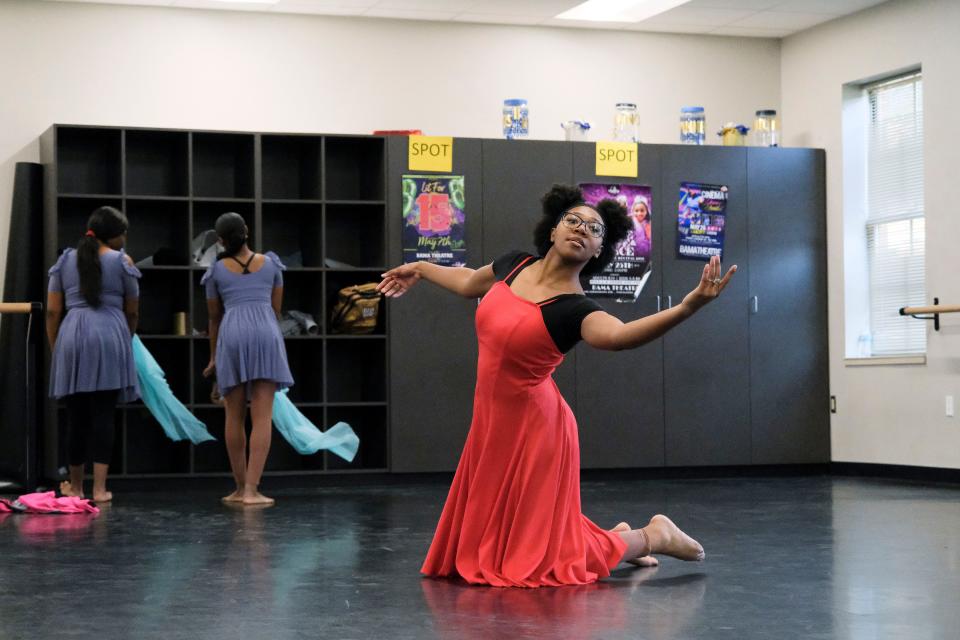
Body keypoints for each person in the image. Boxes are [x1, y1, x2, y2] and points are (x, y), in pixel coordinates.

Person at [378, 184, 737, 588]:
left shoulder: (575, 308)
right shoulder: (513, 265)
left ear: (599, 250)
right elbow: (467, 284)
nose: (582, 229)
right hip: (493, 424)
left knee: (536, 559)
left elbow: (620, 336)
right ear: (553, 229)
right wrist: (422, 268)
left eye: (594, 229)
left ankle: (655, 535)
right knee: (508, 543)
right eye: (574, 220)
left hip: (538, 432)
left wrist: (688, 306)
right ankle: (618, 538)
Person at [47, 206, 141, 503]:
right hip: (111, 332)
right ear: (113, 235)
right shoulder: (122, 262)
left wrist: (56, 347)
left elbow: (52, 310)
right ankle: (100, 490)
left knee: (76, 416)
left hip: (72, 334)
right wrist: (126, 336)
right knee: (104, 415)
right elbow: (133, 309)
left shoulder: (64, 261)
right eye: (123, 233)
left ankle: (76, 487)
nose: (125, 238)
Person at [202, 212, 293, 506]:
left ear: (220, 241)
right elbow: (276, 309)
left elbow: (214, 318)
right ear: (247, 232)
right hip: (266, 332)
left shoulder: (215, 271)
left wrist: (213, 357)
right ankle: (254, 490)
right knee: (262, 416)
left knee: (234, 416)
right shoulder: (271, 265)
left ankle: (240, 489)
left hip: (232, 335)